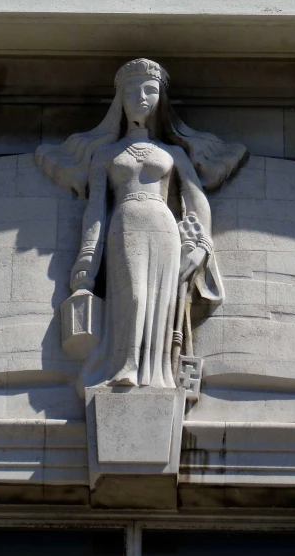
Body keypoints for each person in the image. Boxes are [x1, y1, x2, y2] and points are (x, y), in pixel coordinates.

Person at [36, 58, 247, 391]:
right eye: (132, 91)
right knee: (133, 296)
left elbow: (196, 199)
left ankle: (156, 372)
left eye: (150, 90)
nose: (141, 97)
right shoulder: (105, 155)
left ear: (160, 98)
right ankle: (126, 364)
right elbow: (94, 210)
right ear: (119, 100)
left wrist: (202, 247)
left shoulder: (173, 154)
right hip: (125, 224)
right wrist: (86, 265)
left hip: (163, 227)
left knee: (160, 301)